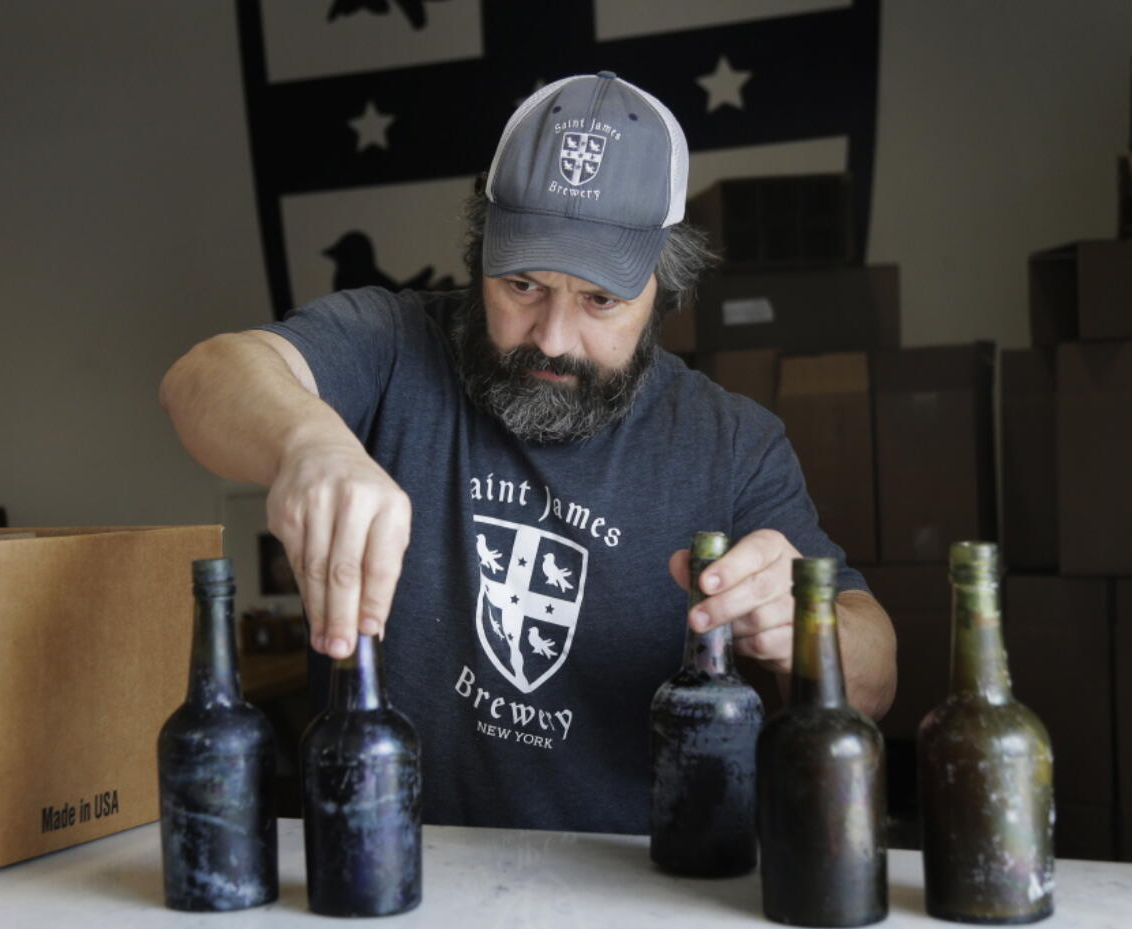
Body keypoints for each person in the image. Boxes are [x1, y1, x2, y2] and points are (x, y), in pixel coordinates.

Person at [160, 71, 896, 834]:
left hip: (640, 895)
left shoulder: (733, 442)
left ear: (662, 291)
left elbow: (872, 686)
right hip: (385, 873)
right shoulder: (392, 346)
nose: (551, 336)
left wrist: (806, 629)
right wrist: (305, 443)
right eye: (521, 285)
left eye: (600, 300)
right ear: (480, 253)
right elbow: (200, 379)